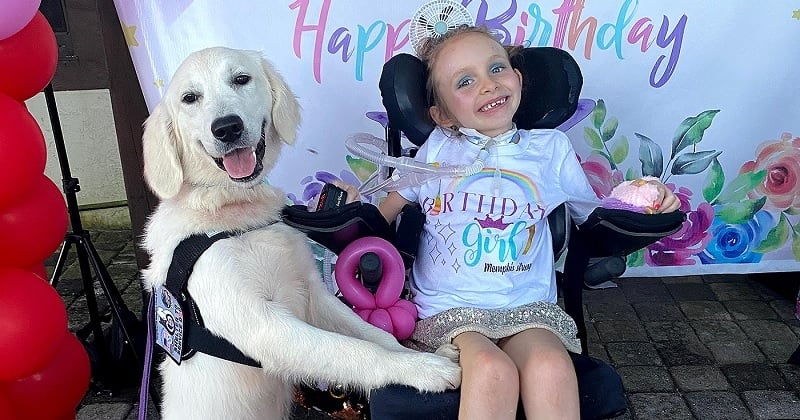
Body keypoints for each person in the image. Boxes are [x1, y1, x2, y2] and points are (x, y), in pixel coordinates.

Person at [338, 25, 680, 419]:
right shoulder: (438, 150)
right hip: (451, 311)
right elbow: (381, 217)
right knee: (492, 370)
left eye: (496, 68)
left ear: (518, 79)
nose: (488, 85)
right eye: (466, 81)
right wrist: (345, 208)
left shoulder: (550, 149)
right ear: (442, 114)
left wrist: (647, 201)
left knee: (551, 367)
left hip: (527, 306)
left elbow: (596, 215)